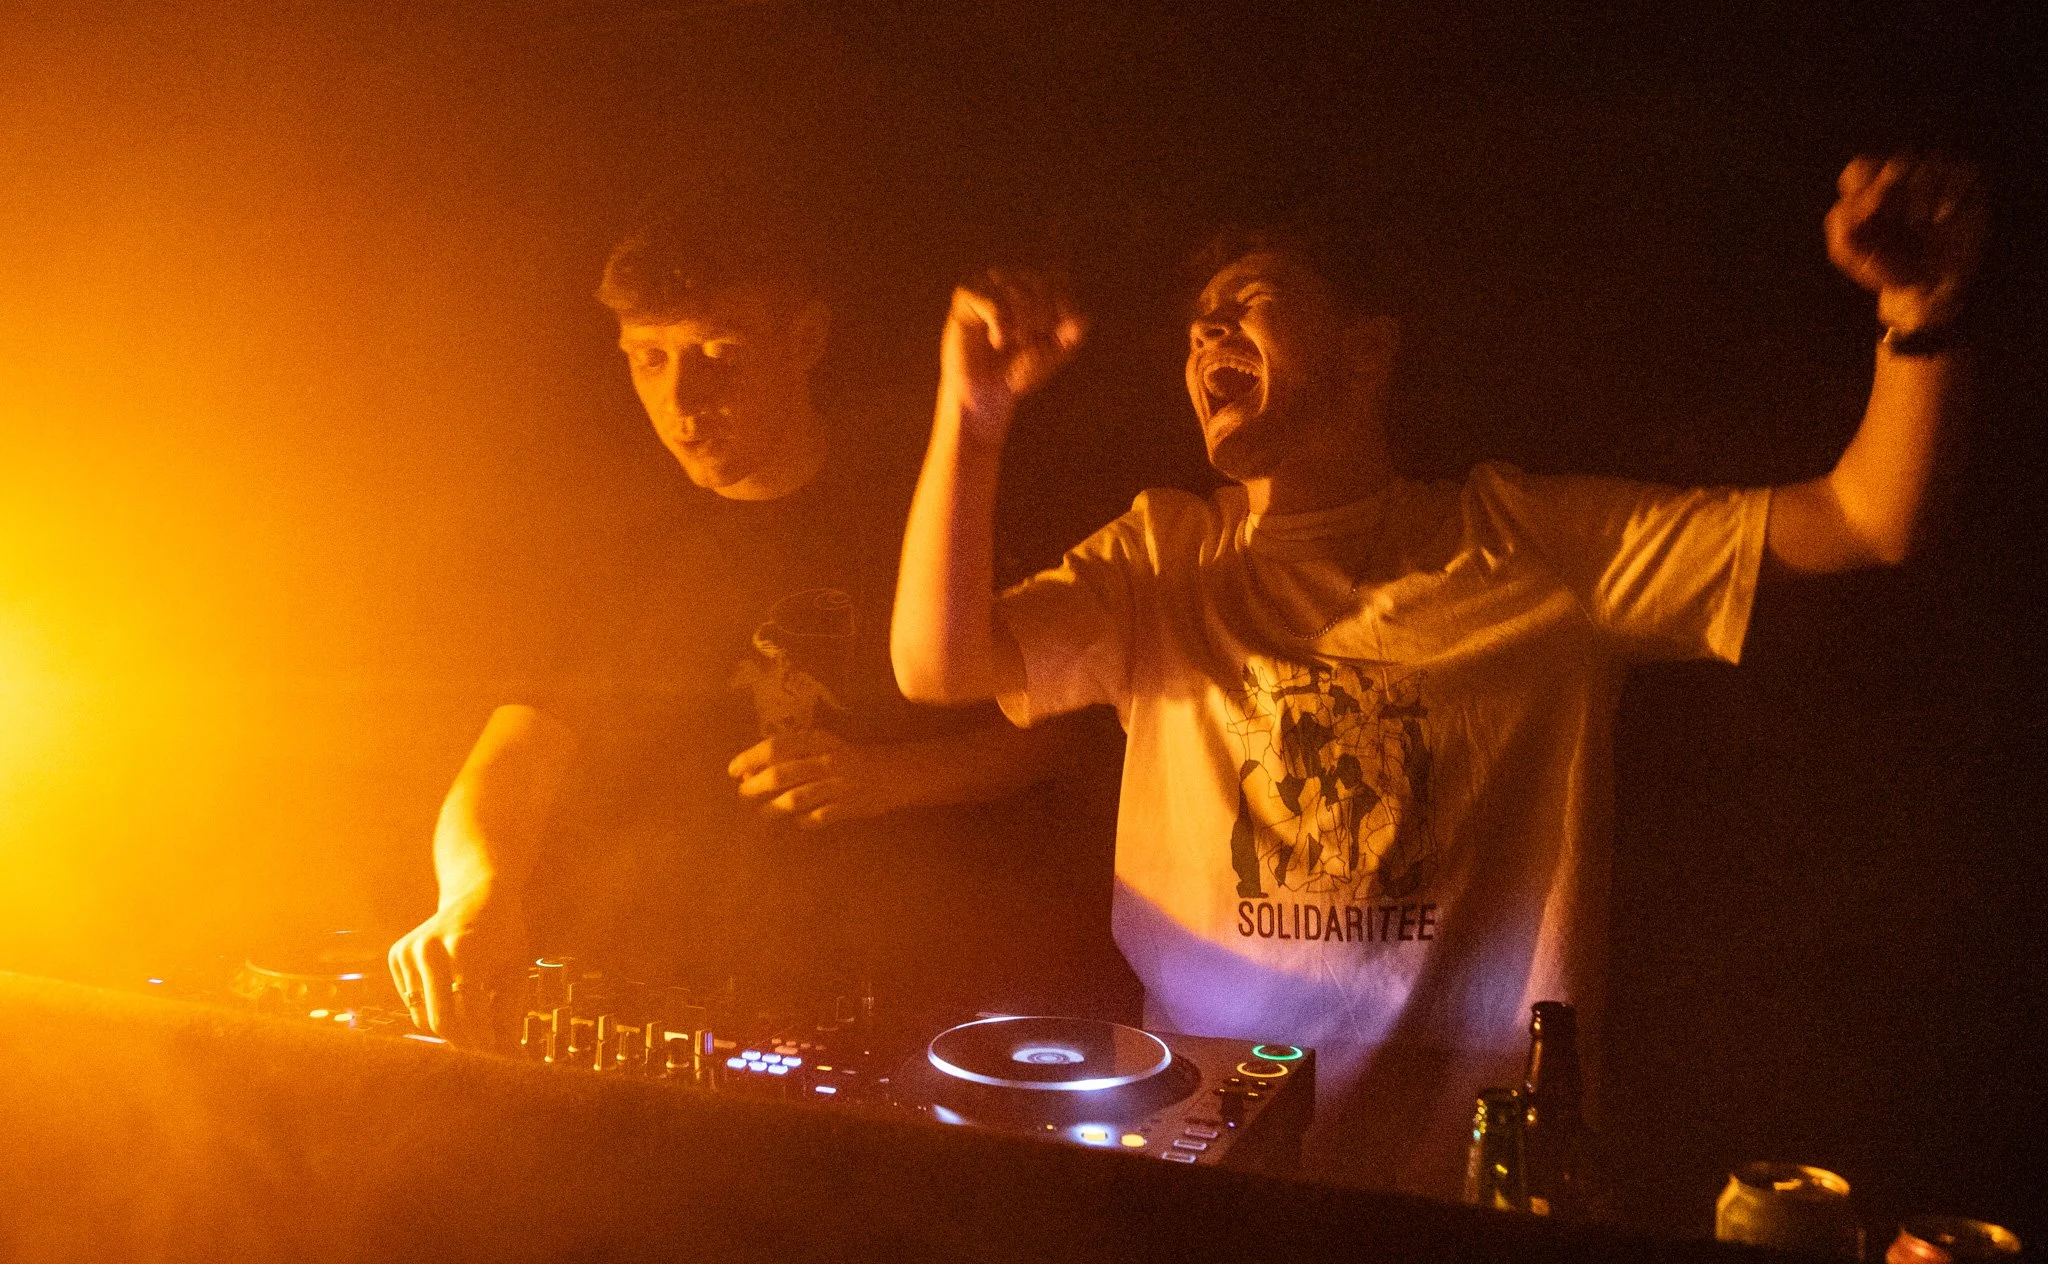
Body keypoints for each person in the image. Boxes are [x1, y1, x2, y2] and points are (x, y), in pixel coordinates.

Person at [890, 155, 1985, 1196]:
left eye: (1252, 296)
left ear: (1367, 352)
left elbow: (1865, 517)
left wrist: (1919, 318)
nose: (1207, 330)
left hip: (1473, 1185)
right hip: (1208, 1180)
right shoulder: (1162, 558)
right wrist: (972, 422)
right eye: (1196, 321)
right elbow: (937, 666)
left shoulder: (1525, 542)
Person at [387, 202, 1090, 1045]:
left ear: (805, 341)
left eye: (718, 352)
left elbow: (1068, 734)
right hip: (683, 1002)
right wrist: (476, 890)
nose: (683, 397)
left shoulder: (930, 500)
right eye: (648, 359)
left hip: (924, 999)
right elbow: (511, 759)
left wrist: (891, 778)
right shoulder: (612, 548)